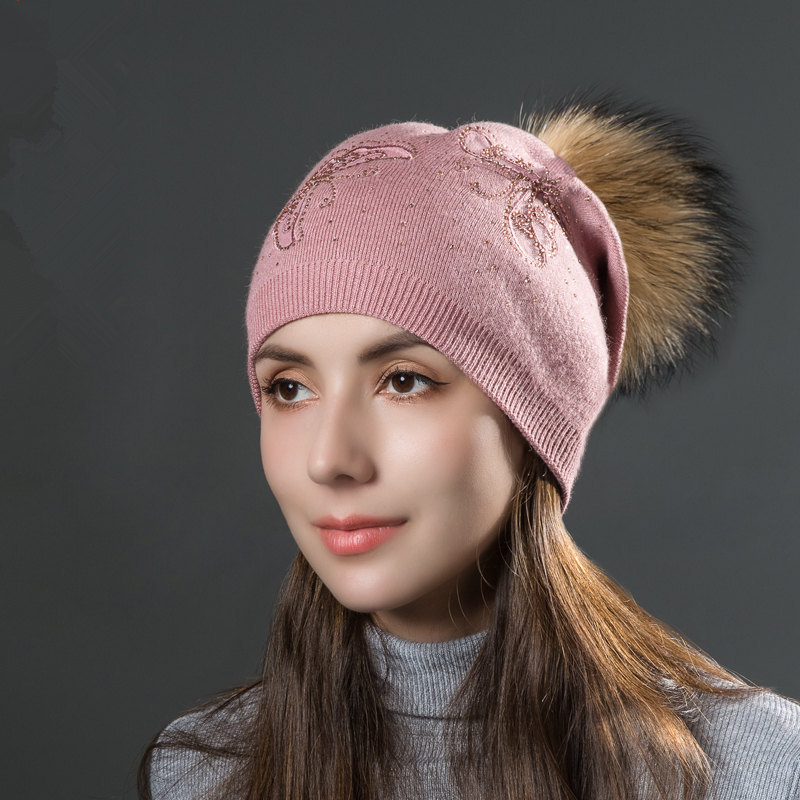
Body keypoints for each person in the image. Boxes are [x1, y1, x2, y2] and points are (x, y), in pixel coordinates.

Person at [138, 96, 800, 799]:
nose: (328, 460)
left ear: (533, 418)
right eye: (290, 388)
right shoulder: (201, 773)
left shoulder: (758, 768)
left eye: (403, 381)